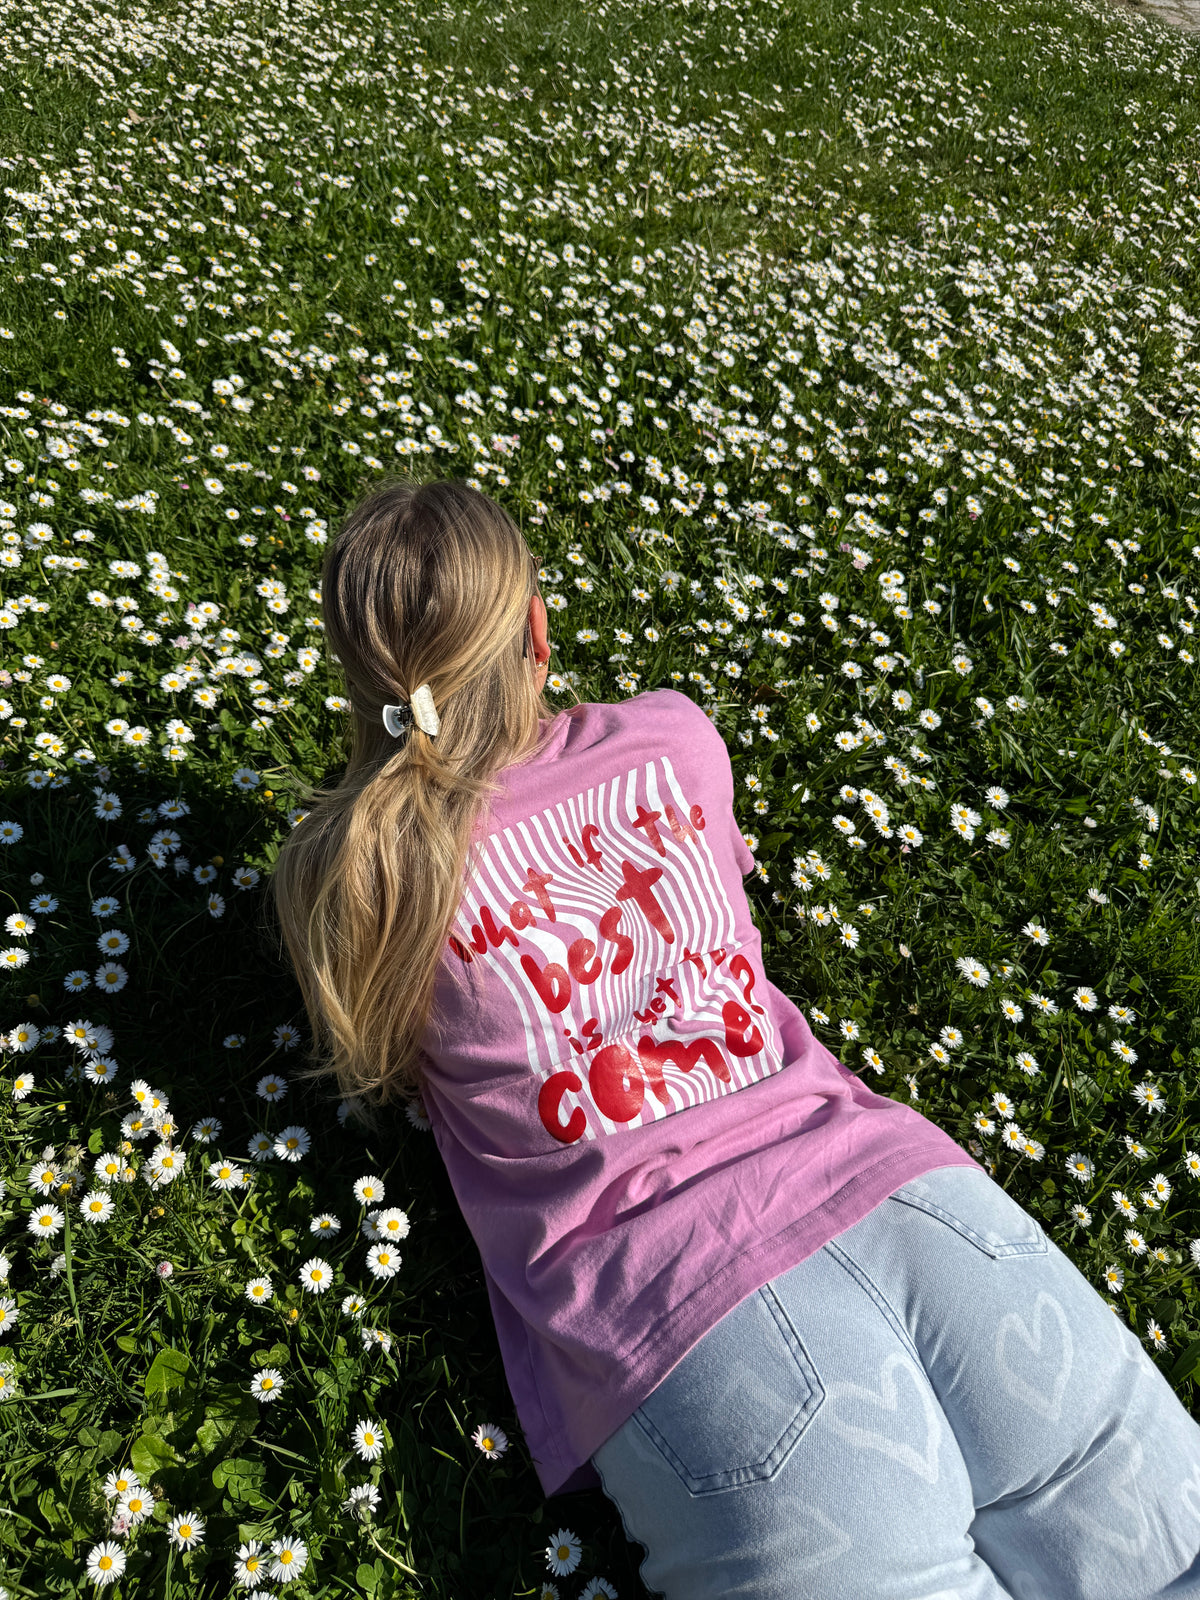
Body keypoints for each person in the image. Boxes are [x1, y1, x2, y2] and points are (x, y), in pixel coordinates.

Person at [268, 479, 1200, 1600]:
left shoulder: (360, 872)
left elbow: (383, 1069)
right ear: (538, 634)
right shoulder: (673, 737)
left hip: (682, 1311)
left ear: (362, 676)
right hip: (921, 1208)